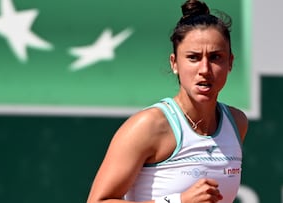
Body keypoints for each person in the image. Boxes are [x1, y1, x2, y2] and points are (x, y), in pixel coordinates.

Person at [86, 0, 248, 202]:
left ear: (230, 62)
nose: (205, 70)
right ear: (174, 64)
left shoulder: (237, 122)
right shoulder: (147, 126)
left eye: (215, 57)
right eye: (193, 57)